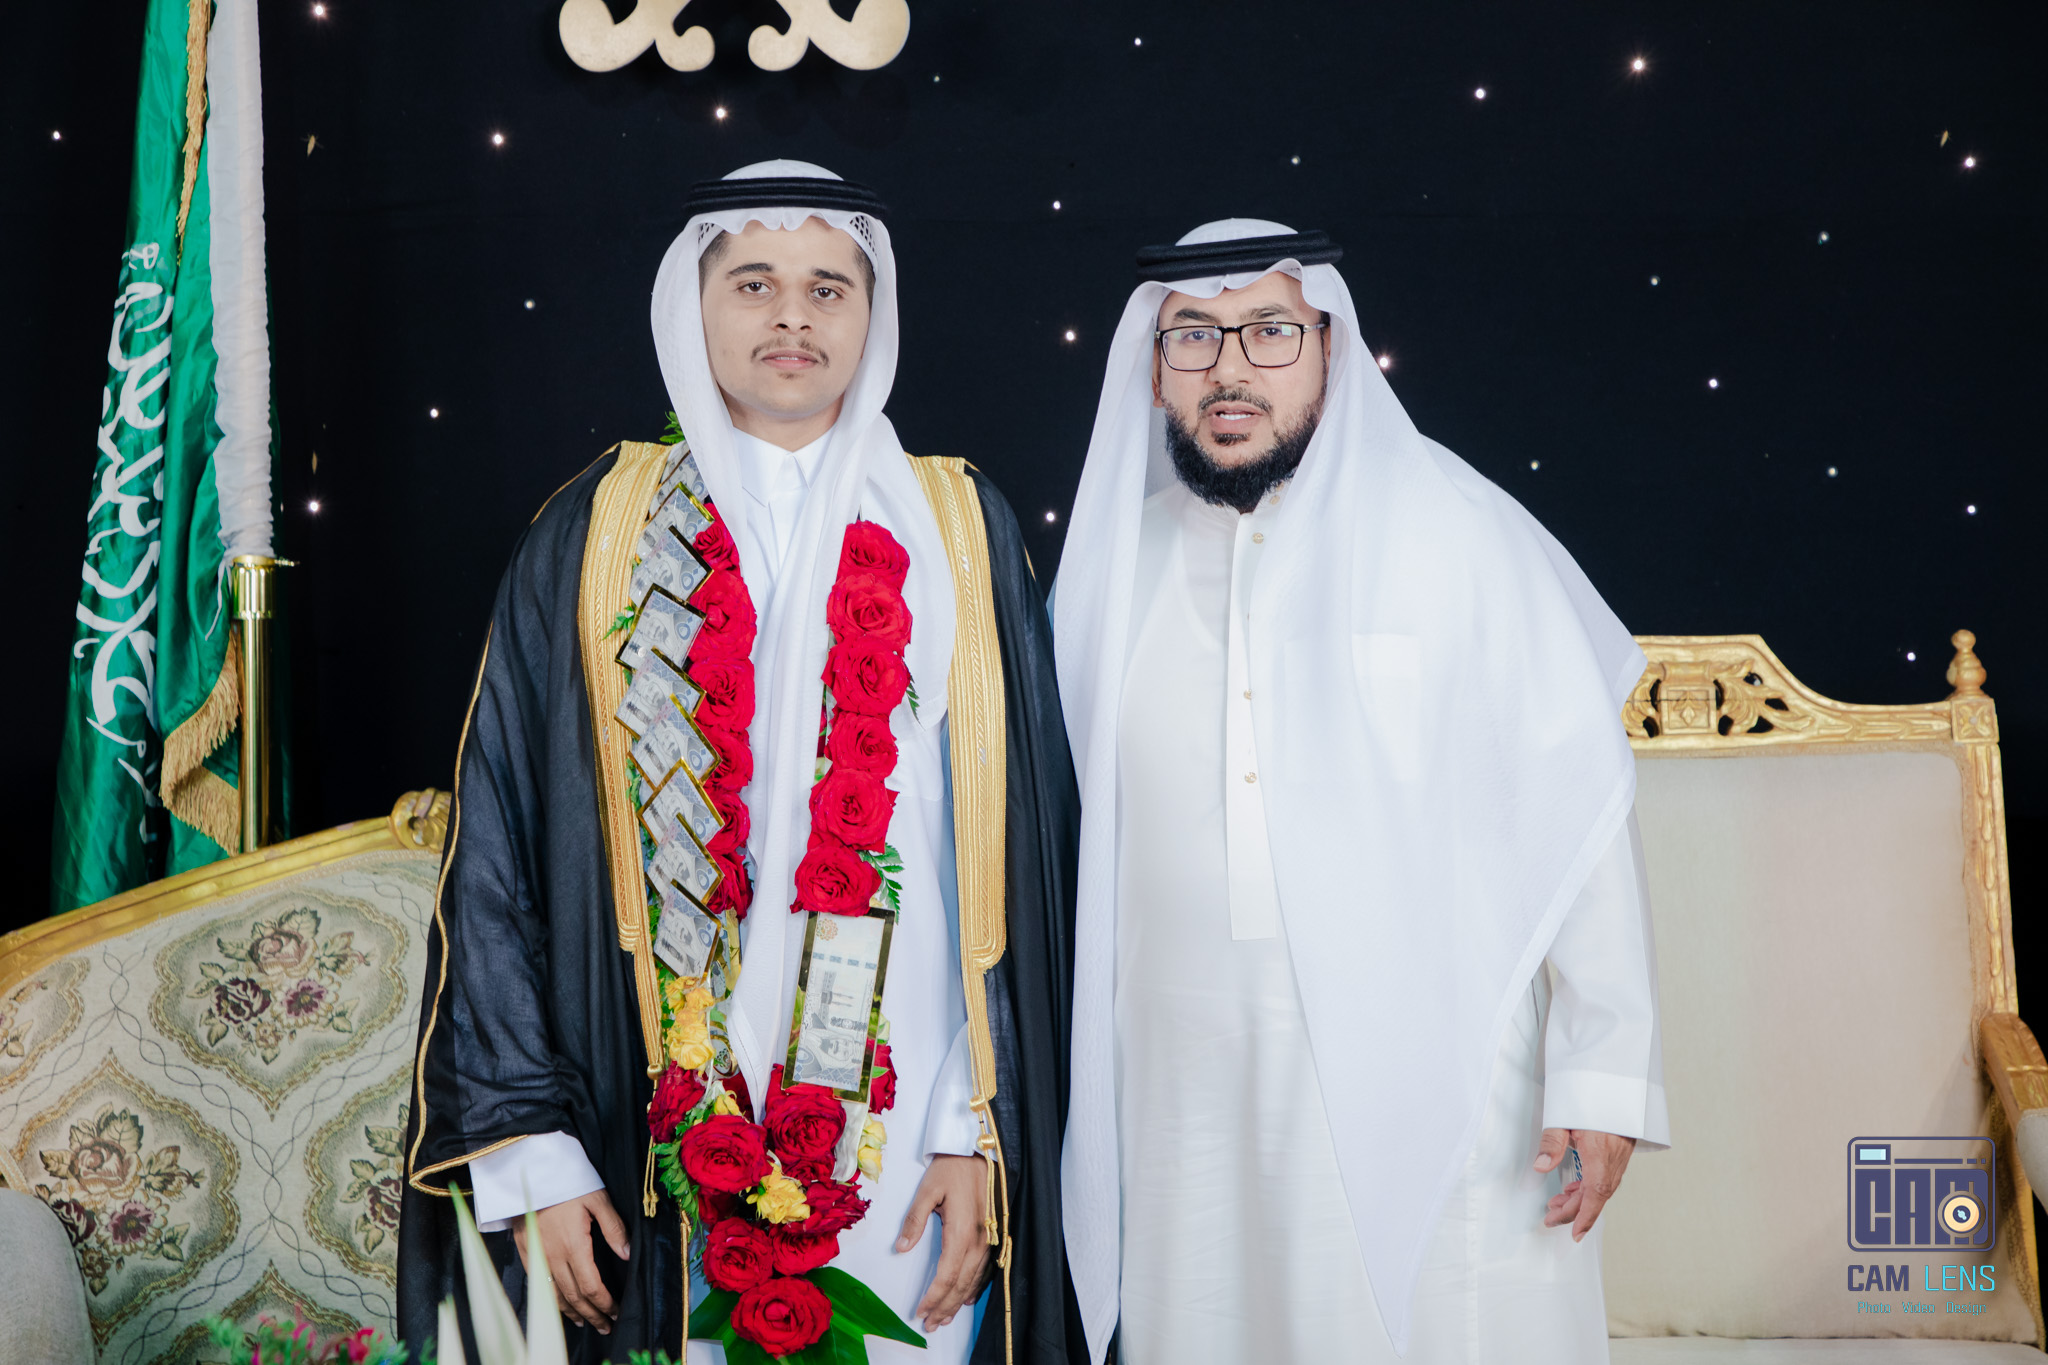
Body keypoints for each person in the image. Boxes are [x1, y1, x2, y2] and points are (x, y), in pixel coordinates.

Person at [398, 161, 1082, 1365]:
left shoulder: (958, 526)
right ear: (693, 305)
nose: (791, 318)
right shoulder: (594, 529)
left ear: (870, 315)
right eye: (754, 284)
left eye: (827, 288)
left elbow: (1021, 861)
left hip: (901, 1113)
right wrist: (534, 1152)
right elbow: (498, 847)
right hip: (649, 1110)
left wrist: (976, 1128)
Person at [1052, 220, 1668, 1364]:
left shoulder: (1458, 534)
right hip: (1178, 1084)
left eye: (1268, 332)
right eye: (1192, 337)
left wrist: (1601, 1072)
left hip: (1434, 1072)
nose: (1228, 369)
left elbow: (1575, 817)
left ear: (1331, 348)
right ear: (1151, 366)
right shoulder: (1109, 571)